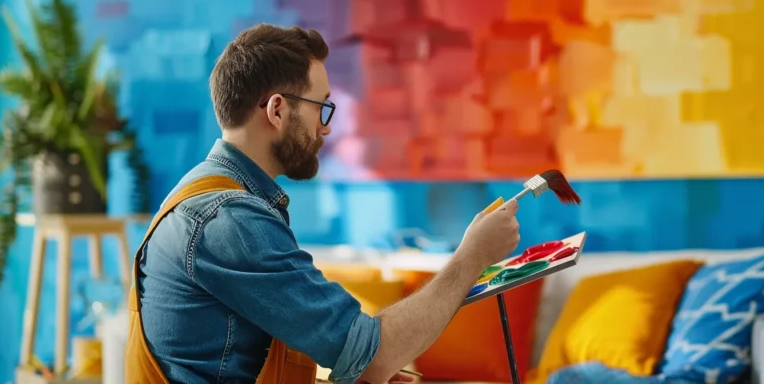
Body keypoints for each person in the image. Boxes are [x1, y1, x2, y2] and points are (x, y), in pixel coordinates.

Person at [126, 23, 522, 384]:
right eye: (321, 106)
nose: (326, 126)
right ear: (277, 110)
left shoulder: (205, 196)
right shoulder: (231, 221)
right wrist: (474, 255)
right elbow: (374, 354)